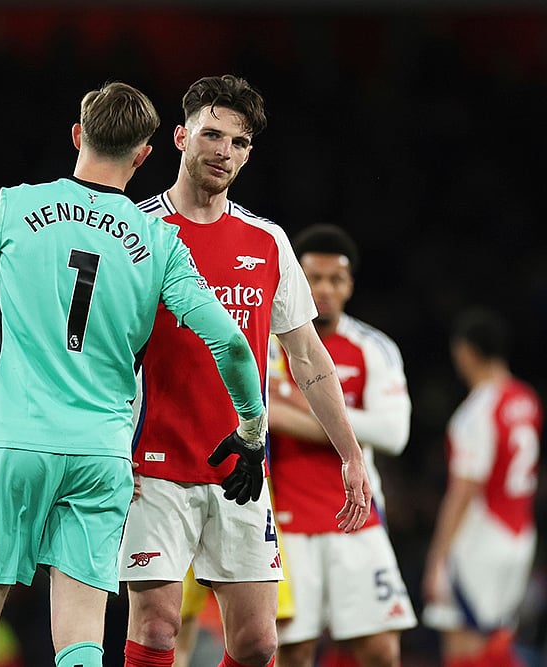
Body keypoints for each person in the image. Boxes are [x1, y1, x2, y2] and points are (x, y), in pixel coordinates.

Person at [0, 81, 272, 667]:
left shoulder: (15, 207)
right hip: (102, 456)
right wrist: (250, 428)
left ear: (78, 135)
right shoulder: (159, 240)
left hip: (11, 442)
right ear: (145, 155)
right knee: (79, 640)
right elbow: (229, 342)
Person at [120, 74, 373, 667]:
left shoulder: (266, 242)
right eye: (211, 135)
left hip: (240, 465)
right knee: (157, 629)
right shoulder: (137, 233)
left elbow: (308, 357)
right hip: (149, 466)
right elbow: (103, 354)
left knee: (258, 644)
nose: (223, 152)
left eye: (238, 142)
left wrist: (351, 453)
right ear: (180, 137)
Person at [266, 224, 417, 667]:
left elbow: (394, 434)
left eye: (335, 279)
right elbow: (260, 413)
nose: (324, 289)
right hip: (286, 522)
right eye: (313, 278)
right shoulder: (270, 343)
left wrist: (296, 407)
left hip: (357, 516)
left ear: (350, 285)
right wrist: (338, 423)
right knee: (290, 653)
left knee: (381, 651)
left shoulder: (373, 347)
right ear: (295, 278)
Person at [422, 308, 542, 667]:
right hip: (519, 538)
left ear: (466, 351)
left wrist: (437, 558)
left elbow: (463, 491)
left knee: (463, 649)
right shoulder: (526, 399)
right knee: (498, 641)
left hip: (481, 540)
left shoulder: (476, 413)